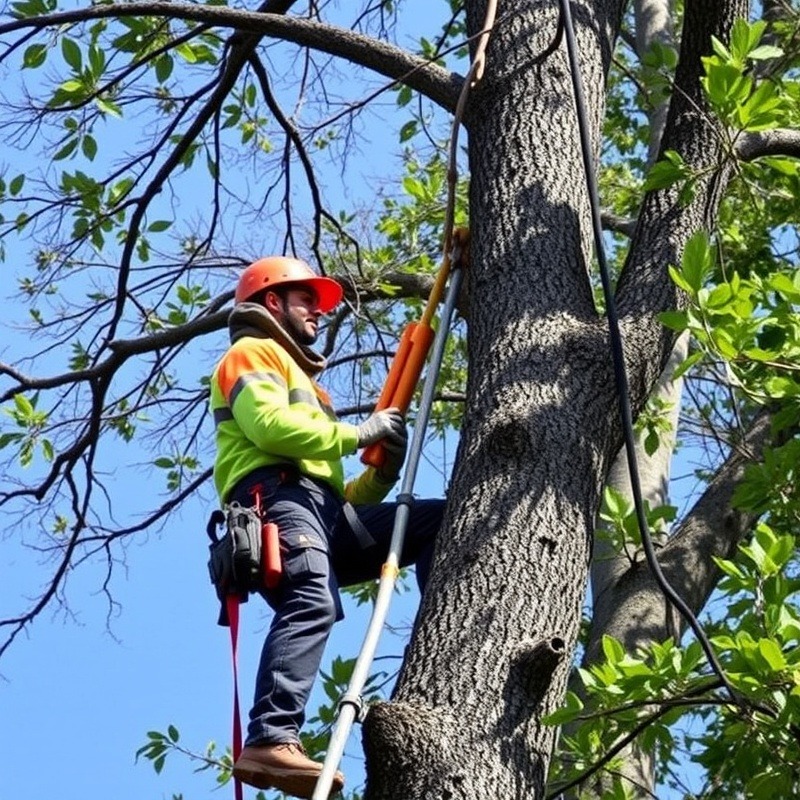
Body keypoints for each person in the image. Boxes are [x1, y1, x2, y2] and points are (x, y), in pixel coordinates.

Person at [209, 256, 443, 799]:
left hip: (319, 510)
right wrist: (359, 433)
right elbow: (270, 429)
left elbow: (340, 497)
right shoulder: (251, 353)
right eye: (305, 300)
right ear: (273, 302)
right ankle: (271, 737)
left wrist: (381, 472)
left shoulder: (311, 387)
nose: (318, 311)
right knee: (312, 599)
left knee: (437, 522)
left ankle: (447, 632)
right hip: (278, 497)